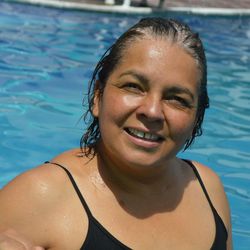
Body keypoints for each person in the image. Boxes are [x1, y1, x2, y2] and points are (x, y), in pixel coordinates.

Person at [0, 17, 232, 250]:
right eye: (133, 86)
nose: (152, 111)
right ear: (98, 96)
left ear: (196, 117)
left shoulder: (207, 189)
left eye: (177, 99)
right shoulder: (39, 197)